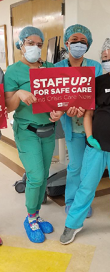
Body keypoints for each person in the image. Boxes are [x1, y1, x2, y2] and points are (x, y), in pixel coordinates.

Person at [60, 36, 110, 245]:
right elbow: (87, 114)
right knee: (87, 185)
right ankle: (73, 224)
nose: (109, 60)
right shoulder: (97, 83)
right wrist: (90, 137)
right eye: (105, 57)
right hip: (97, 145)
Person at [4, 26, 63, 243]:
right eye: (30, 43)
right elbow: (9, 107)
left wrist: (59, 111)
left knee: (43, 175)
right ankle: (30, 219)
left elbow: (59, 97)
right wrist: (19, 93)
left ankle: (36, 215)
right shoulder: (13, 71)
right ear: (21, 45)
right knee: (36, 176)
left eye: (39, 45)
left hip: (48, 129)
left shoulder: (49, 67)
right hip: (27, 130)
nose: (35, 48)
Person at [55, 24, 102, 217]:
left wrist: (86, 108)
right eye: (74, 41)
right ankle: (72, 200)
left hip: (91, 125)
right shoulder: (57, 68)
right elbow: (54, 95)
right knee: (75, 166)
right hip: (72, 127)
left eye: (83, 41)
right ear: (67, 43)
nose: (78, 44)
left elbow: (98, 95)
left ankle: (84, 201)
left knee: (90, 168)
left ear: (88, 45)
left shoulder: (95, 66)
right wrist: (66, 109)